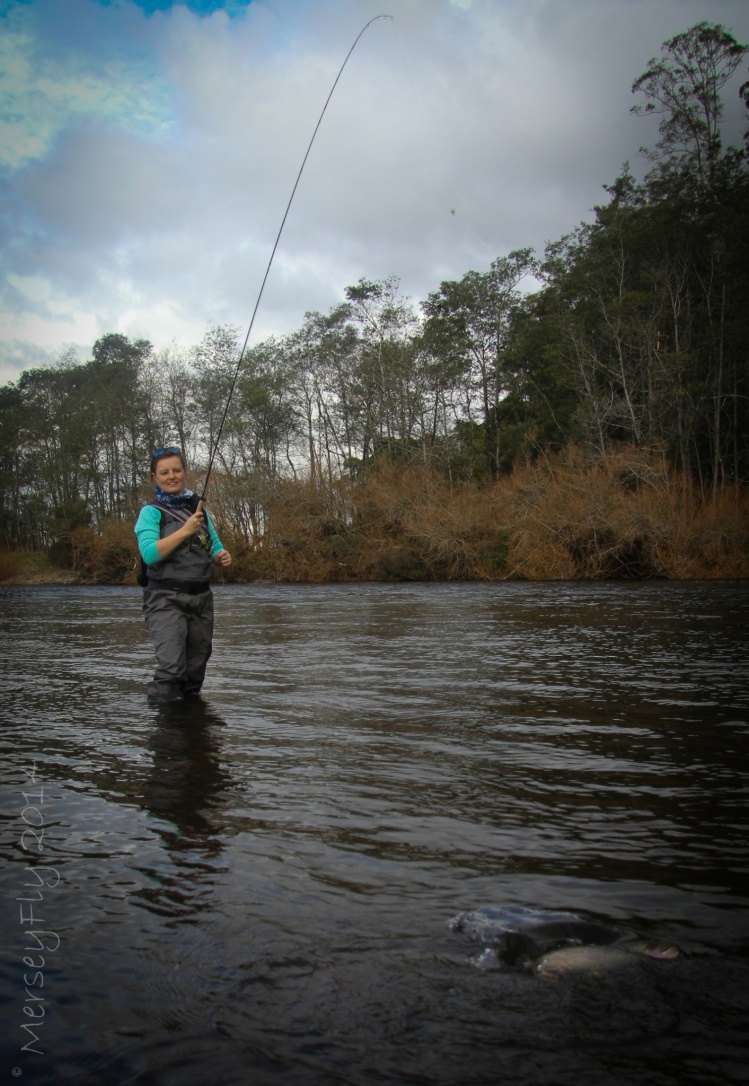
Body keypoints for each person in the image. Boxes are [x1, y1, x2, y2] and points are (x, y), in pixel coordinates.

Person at [135, 446, 232, 701]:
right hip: (165, 598)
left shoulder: (197, 509)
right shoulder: (150, 513)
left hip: (201, 599)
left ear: (184, 472)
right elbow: (150, 554)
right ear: (153, 477)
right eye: (164, 472)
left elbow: (213, 544)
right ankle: (164, 734)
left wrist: (220, 556)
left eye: (176, 470)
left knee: (195, 672)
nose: (171, 476)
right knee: (171, 668)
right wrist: (186, 530)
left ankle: (192, 733)